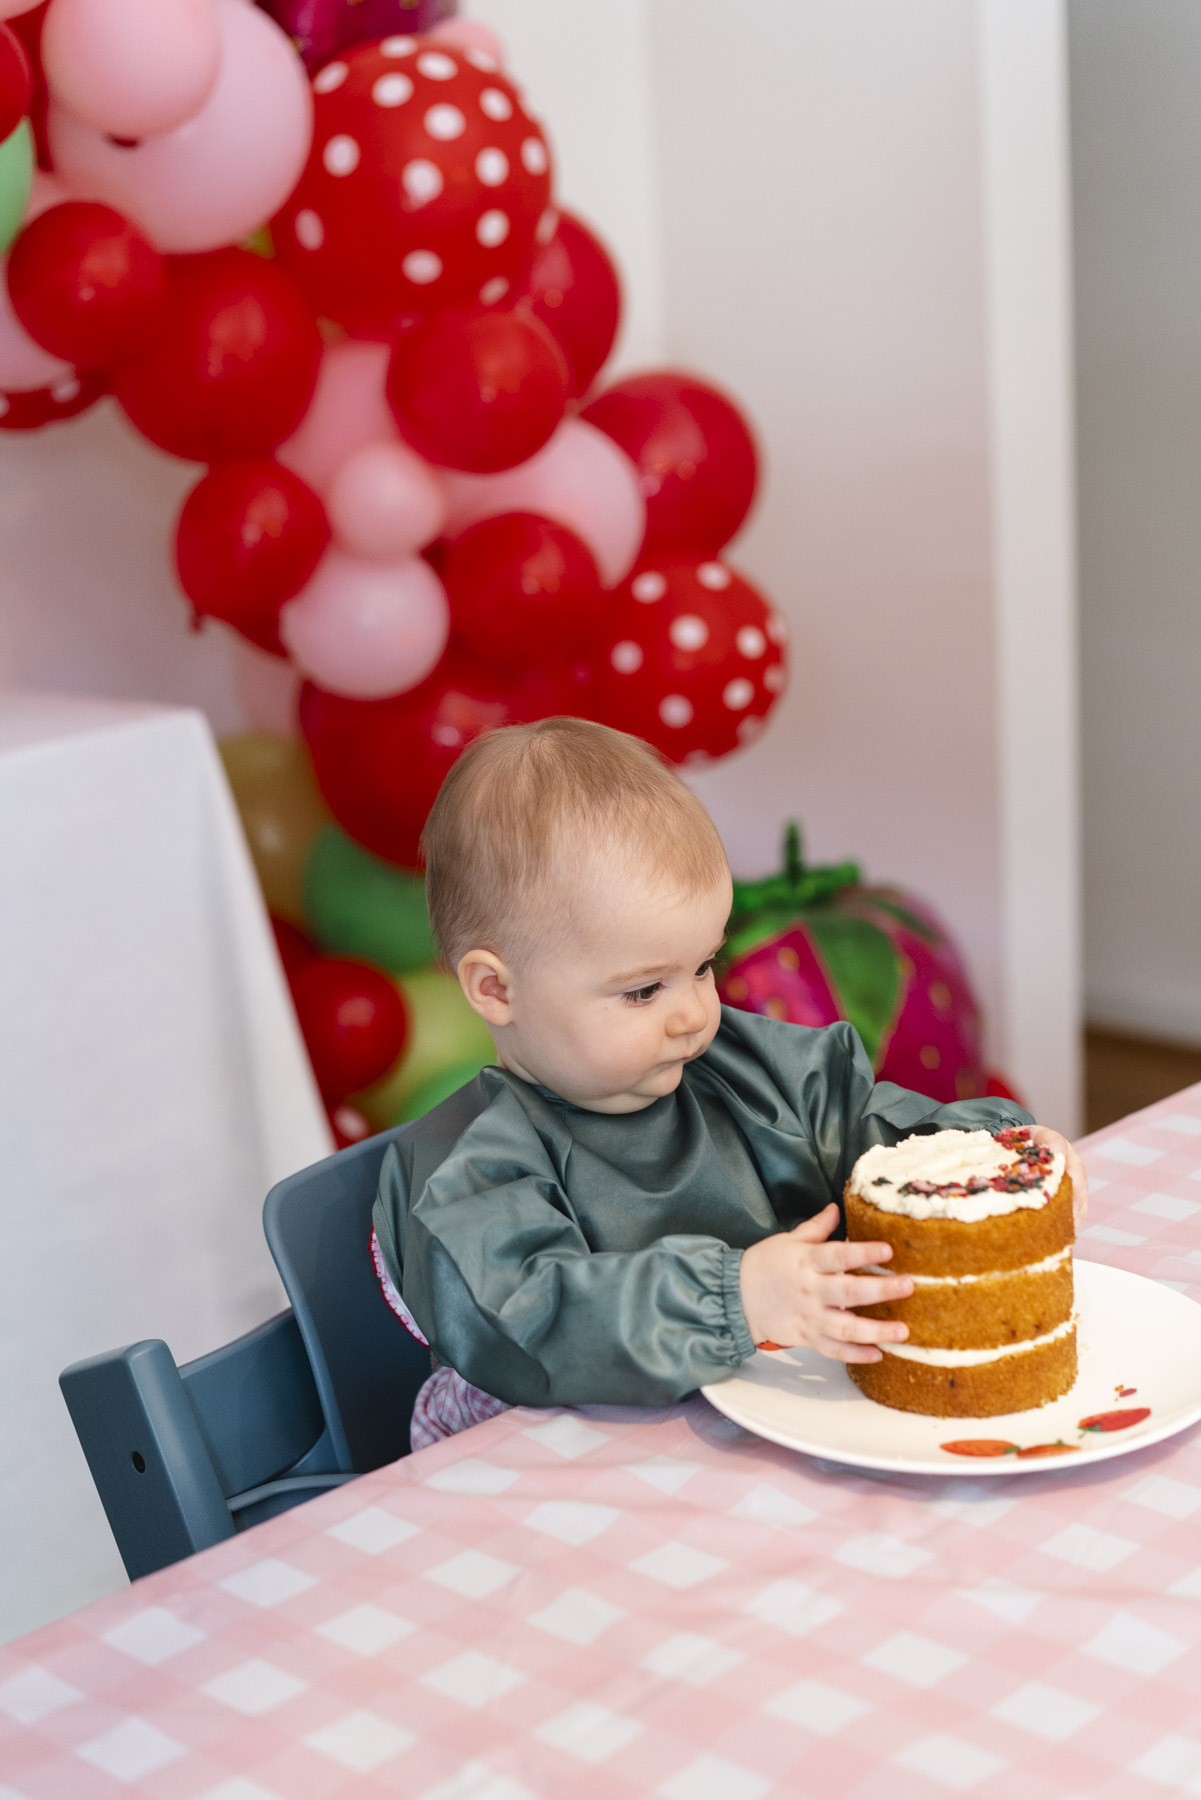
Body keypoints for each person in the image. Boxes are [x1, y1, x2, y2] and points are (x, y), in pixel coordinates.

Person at [370, 717, 1087, 1447]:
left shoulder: (756, 1074)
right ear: (496, 989)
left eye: (703, 966)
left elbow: (882, 1138)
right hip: (568, 1485)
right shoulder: (470, 1170)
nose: (692, 1014)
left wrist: (994, 1154)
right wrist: (733, 1297)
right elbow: (530, 1321)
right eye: (644, 990)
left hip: (775, 1443)